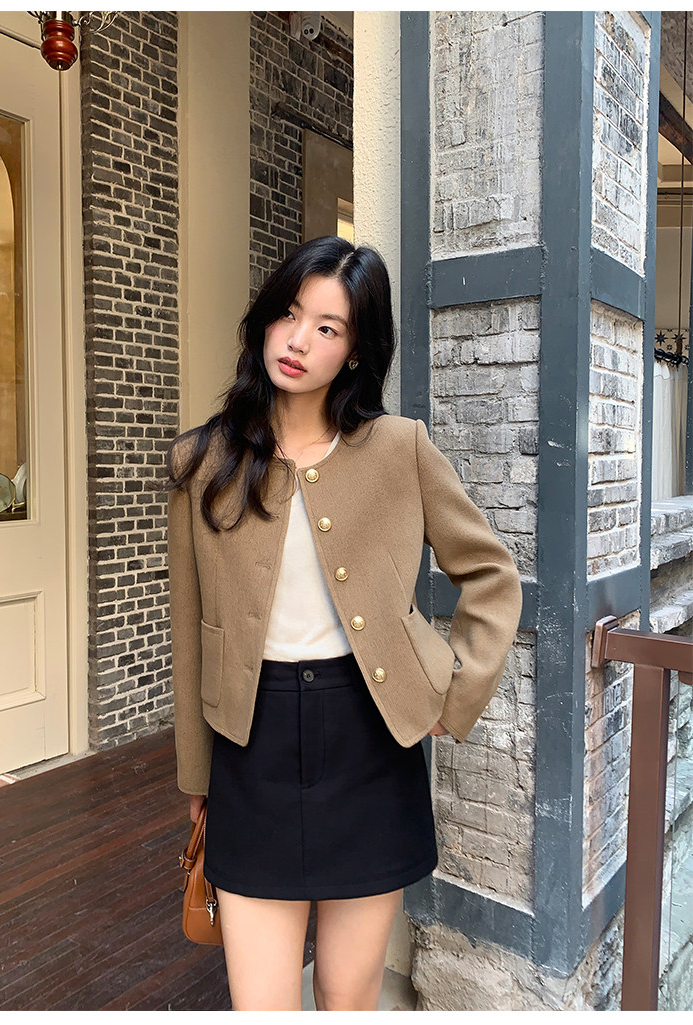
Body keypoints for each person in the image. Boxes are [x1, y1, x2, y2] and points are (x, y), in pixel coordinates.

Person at [161, 236, 522, 1011]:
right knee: (261, 1003)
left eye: (327, 327)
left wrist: (453, 692)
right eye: (289, 314)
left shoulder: (400, 449)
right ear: (265, 319)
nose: (298, 340)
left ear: (356, 349)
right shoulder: (202, 461)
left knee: (347, 995)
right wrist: (198, 777)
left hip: (370, 742)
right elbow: (190, 631)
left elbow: (491, 575)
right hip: (249, 748)